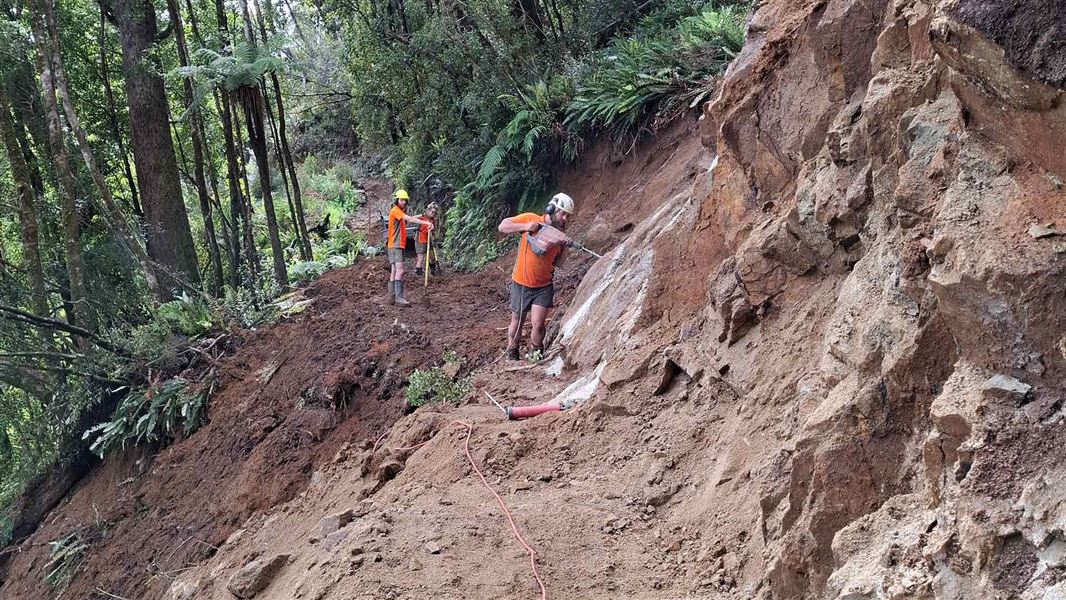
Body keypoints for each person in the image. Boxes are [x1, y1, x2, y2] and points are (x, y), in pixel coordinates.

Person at [497, 192, 575, 361]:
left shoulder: (559, 236)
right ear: (551, 209)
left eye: (568, 216)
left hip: (543, 286)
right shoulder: (531, 218)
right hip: (521, 283)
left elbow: (559, 265)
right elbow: (503, 226)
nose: (565, 219)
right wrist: (525, 227)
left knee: (538, 324)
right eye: (563, 214)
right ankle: (512, 355)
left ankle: (535, 356)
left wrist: (565, 246)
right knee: (517, 321)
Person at [387, 189, 434, 306]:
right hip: (396, 245)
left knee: (394, 270)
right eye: (401, 200)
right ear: (396, 200)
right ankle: (399, 298)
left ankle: (392, 297)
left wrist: (419, 217)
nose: (404, 202)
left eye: (405, 200)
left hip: (394, 245)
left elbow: (409, 218)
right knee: (400, 270)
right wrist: (427, 222)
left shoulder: (398, 213)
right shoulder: (396, 210)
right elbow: (411, 219)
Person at [415, 202, 440, 277]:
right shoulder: (421, 217)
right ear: (428, 210)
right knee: (421, 257)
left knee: (432, 256)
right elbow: (411, 219)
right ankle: (418, 273)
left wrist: (433, 234)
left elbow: (434, 229)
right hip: (420, 239)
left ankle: (432, 271)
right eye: (432, 212)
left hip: (429, 239)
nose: (433, 213)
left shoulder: (432, 220)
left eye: (434, 212)